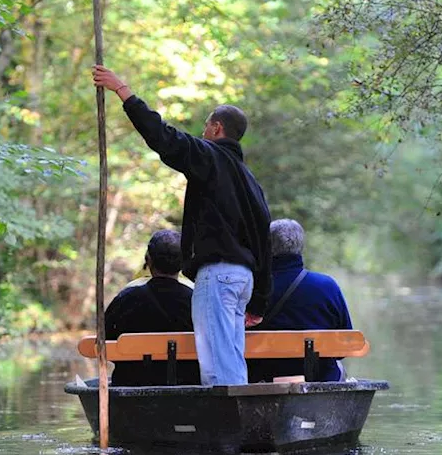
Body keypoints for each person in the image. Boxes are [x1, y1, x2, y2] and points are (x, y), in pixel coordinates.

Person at [92, 64, 271, 386]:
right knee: (230, 354)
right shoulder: (250, 181)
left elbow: (163, 137)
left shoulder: (210, 157)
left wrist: (123, 91)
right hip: (243, 279)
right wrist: (259, 298)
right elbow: (263, 240)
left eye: (205, 127)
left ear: (217, 128)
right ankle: (238, 424)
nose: (202, 133)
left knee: (218, 362)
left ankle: (227, 427)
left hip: (218, 274)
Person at [249, 218, 352, 382]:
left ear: (266, 248)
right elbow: (344, 347)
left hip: (261, 379)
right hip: (319, 378)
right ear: (300, 248)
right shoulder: (327, 286)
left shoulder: (251, 288)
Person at [105, 230, 200, 386]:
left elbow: (105, 345)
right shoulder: (196, 301)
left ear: (148, 260)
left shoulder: (126, 299)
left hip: (131, 382)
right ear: (183, 263)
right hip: (186, 382)